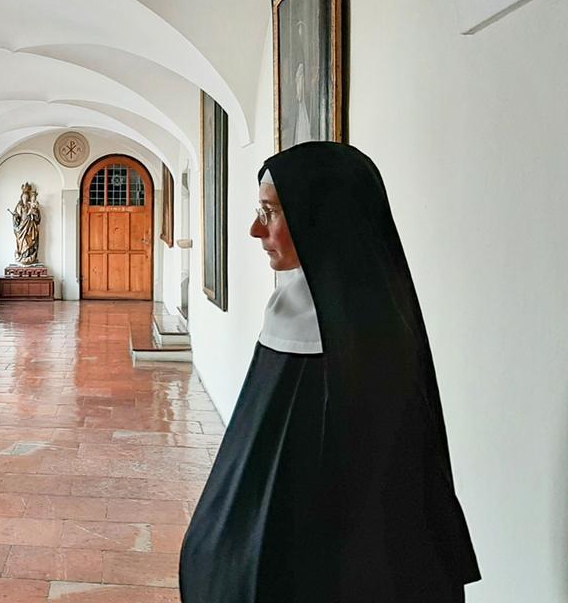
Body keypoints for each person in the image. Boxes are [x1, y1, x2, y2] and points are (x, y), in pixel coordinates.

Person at [179, 142, 480, 602]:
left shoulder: (372, 336)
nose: (255, 229)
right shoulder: (290, 310)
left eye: (269, 212)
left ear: (321, 218)